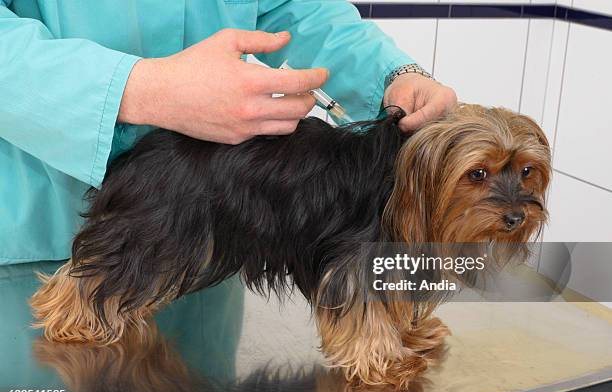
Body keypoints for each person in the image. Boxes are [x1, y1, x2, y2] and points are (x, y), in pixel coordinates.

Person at [0, 1, 457, 265]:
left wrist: (394, 76)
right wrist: (139, 90)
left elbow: (296, 7)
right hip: (32, 243)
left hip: (210, 242)